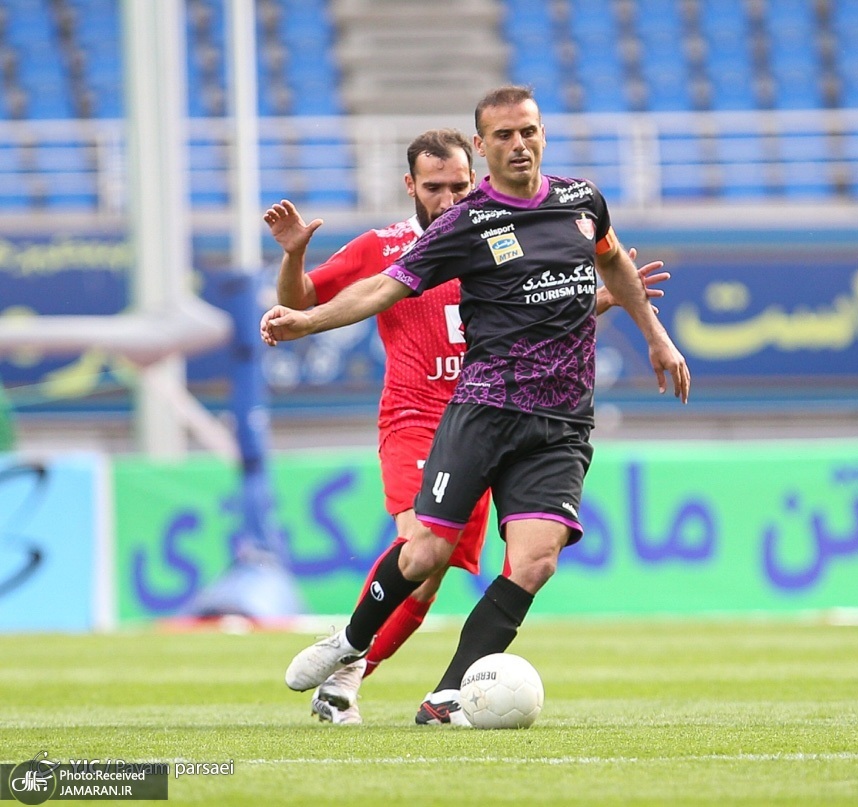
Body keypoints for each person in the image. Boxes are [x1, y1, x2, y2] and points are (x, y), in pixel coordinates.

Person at [264, 100, 687, 726]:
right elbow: (372, 289)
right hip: (462, 413)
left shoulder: (581, 202)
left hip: (561, 420)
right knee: (422, 555)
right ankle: (350, 646)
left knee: (534, 561)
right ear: (480, 146)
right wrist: (303, 314)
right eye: (504, 135)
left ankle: (444, 696)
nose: (519, 144)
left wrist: (650, 330)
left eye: (528, 131)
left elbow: (601, 266)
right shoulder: (450, 230)